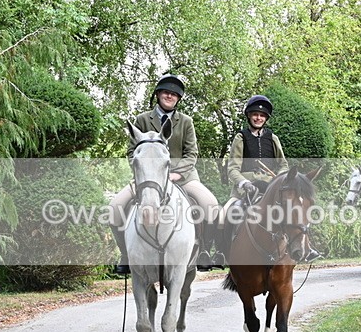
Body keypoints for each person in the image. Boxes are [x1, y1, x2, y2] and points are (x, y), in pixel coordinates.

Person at [109, 74, 222, 274]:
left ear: (178, 99)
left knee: (211, 205)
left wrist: (176, 174)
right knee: (116, 206)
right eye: (166, 92)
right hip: (148, 178)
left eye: (174, 94)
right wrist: (142, 172)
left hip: (183, 177)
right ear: (158, 94)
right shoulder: (142, 119)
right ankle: (126, 255)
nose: (169, 96)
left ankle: (204, 250)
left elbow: (192, 153)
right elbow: (130, 152)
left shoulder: (186, 122)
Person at [224, 94, 289, 210]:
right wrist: (244, 183)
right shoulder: (240, 138)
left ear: (266, 118)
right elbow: (232, 169)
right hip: (245, 189)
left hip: (269, 188)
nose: (258, 118)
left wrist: (278, 179)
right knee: (223, 216)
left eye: (262, 115)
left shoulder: (273, 138)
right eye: (255, 114)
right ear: (249, 115)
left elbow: (283, 165)